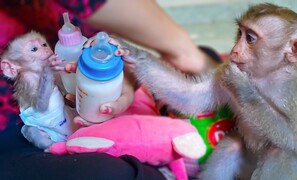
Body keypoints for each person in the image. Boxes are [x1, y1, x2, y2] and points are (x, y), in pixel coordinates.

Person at [0, 0, 221, 179]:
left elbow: (105, 48)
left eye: (43, 45)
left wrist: (124, 75)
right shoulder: (26, 80)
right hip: (18, 133)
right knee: (105, 171)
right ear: (10, 67)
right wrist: (182, 50)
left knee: (204, 58)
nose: (45, 51)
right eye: (36, 49)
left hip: (86, 90)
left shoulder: (60, 45)